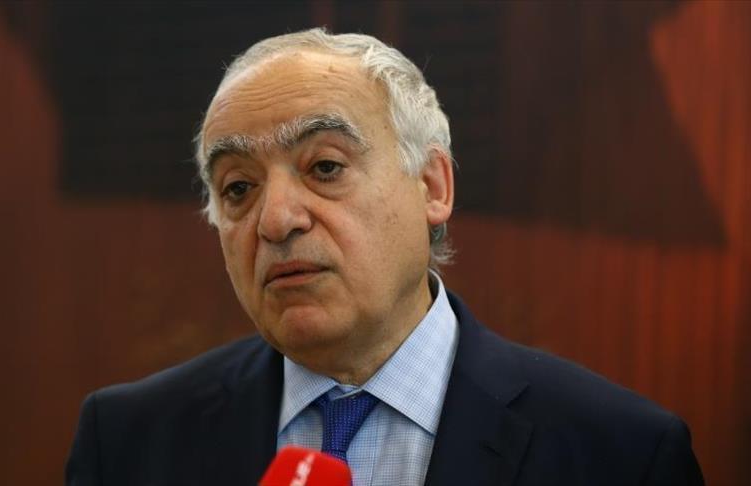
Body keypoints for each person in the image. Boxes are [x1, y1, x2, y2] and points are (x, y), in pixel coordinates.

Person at [65, 28, 703, 486]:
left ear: (432, 187)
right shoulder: (126, 442)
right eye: (238, 188)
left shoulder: (622, 453)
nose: (276, 220)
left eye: (324, 167)